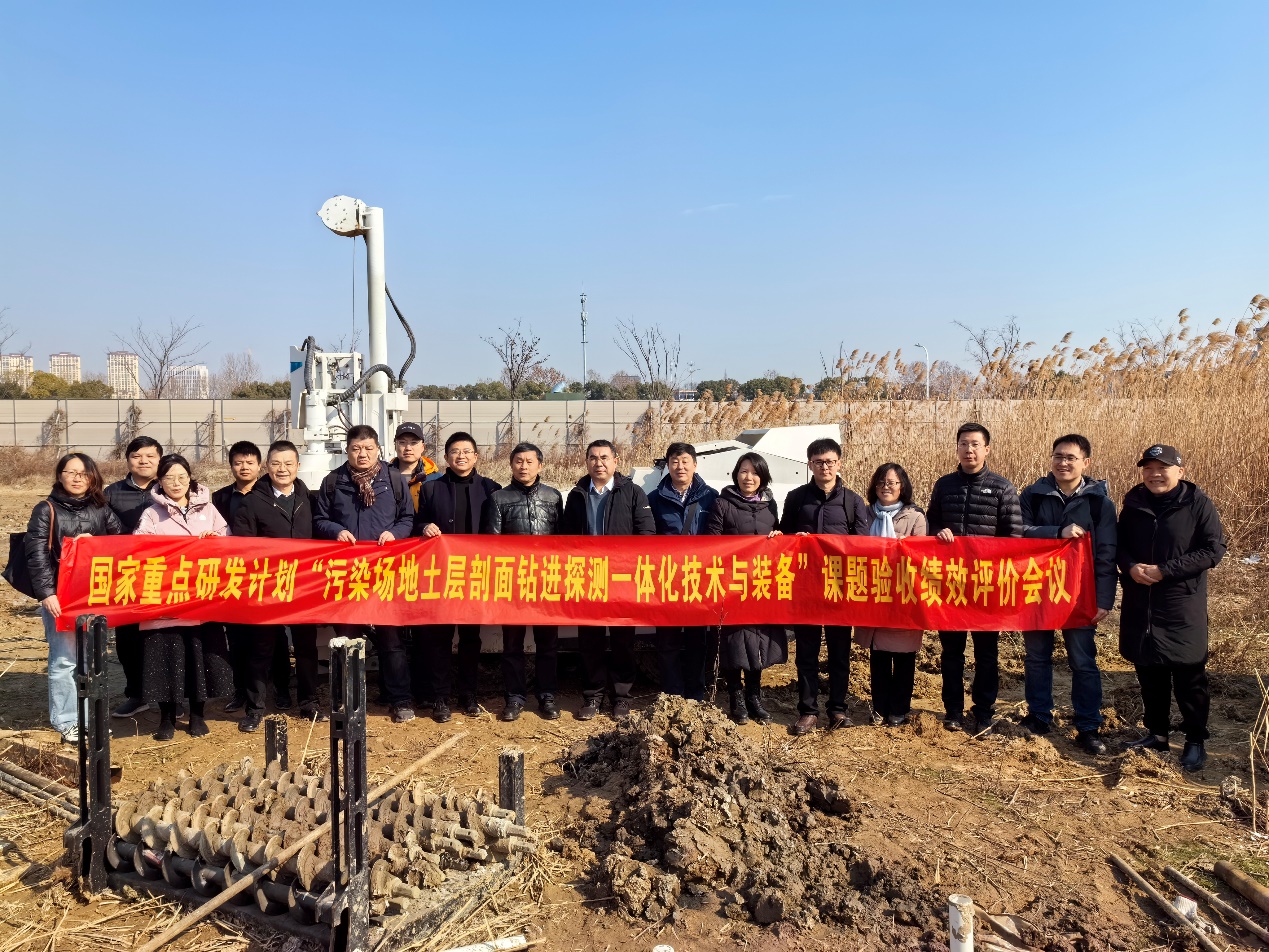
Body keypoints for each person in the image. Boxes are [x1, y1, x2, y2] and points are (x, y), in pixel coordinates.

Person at [1118, 444, 1227, 772]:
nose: (1154, 474)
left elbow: (1213, 549)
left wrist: (1165, 570)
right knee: (1149, 671)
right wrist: (1131, 566)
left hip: (1181, 603)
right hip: (1141, 602)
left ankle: (1195, 740)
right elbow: (1119, 546)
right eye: (1148, 469)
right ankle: (1158, 734)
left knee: (1189, 675)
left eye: (1162, 468)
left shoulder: (1197, 504)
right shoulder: (1134, 504)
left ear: (1180, 471)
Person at [1019, 434, 1117, 755]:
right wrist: (1056, 533)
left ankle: (1088, 726)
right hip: (1038, 590)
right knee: (1036, 657)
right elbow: (1019, 533)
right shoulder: (1033, 494)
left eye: (1071, 458)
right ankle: (1038, 716)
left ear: (1085, 463)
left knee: (1083, 660)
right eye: (1058, 456)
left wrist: (1104, 598)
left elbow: (1107, 553)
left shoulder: (1099, 503)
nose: (1063, 463)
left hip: (1078, 594)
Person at [313, 424, 418, 724]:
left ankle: (398, 699)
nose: (362, 454)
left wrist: (395, 533)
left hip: (385, 570)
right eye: (356, 449)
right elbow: (320, 519)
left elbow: (407, 517)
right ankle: (348, 699)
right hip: (347, 573)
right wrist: (336, 530)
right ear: (347, 451)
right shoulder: (333, 482)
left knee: (391, 638)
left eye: (368, 448)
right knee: (348, 638)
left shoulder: (393, 480)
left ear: (378, 450)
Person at [928, 423, 1023, 734]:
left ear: (987, 449)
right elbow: (931, 524)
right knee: (951, 653)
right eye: (963, 444)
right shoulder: (944, 486)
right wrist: (938, 532)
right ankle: (953, 711)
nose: (969, 450)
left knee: (987, 654)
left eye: (975, 444)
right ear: (957, 448)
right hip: (951, 584)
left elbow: (1013, 538)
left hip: (986, 585)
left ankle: (983, 711)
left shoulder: (1002, 488)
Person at [134, 454, 233, 741]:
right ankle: (166, 718)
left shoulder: (209, 509)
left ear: (190, 478)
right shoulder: (152, 514)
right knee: (167, 658)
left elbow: (228, 542)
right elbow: (138, 546)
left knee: (198, 658)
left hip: (201, 597)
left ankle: (197, 715)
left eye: (182, 477)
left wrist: (215, 540)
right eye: (169, 478)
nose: (176, 483)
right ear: (160, 482)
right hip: (166, 599)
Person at [26, 453, 123, 743]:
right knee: (64, 659)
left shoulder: (101, 508)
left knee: (90, 660)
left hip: (94, 595)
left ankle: (88, 719)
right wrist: (47, 594)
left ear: (92, 477)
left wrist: (97, 543)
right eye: (71, 472)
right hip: (61, 597)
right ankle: (67, 721)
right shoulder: (46, 509)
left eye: (84, 473)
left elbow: (122, 542)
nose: (77, 478)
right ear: (60, 476)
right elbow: (36, 555)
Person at [780, 437, 871, 734]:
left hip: (838, 588)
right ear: (810, 465)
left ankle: (838, 709)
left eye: (830, 461)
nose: (825, 467)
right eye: (818, 462)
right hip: (805, 587)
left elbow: (862, 543)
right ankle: (808, 711)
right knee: (806, 653)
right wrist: (794, 539)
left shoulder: (853, 501)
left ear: (839, 463)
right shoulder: (796, 498)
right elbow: (783, 537)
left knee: (839, 652)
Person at [231, 440, 324, 730]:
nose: (282, 469)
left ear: (298, 466)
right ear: (266, 467)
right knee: (261, 648)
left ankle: (309, 702)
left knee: (306, 647)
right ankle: (255, 708)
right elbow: (243, 548)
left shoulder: (311, 499)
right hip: (267, 587)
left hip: (304, 586)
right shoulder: (252, 502)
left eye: (288, 464)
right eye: (276, 463)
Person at [561, 439, 656, 720]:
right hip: (587, 578)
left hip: (622, 578)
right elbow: (566, 537)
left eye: (604, 457)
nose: (599, 463)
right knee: (589, 639)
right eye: (593, 458)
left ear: (616, 461)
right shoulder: (577, 494)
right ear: (586, 462)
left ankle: (622, 698)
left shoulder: (633, 492)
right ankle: (592, 695)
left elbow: (646, 533)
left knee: (622, 639)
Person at [414, 432, 501, 722]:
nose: (460, 456)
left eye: (466, 451)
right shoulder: (431, 489)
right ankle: (440, 697)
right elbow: (416, 522)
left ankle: (468, 694)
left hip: (476, 575)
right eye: (454, 451)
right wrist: (424, 527)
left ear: (476, 456)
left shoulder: (491, 489)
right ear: (446, 457)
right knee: (440, 638)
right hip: (442, 575)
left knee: (470, 638)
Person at [481, 442, 564, 721]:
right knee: (512, 645)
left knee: (548, 644)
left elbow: (562, 541)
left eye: (529, 461)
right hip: (512, 583)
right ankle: (514, 697)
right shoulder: (498, 498)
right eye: (518, 461)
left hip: (546, 581)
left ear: (540, 465)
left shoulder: (553, 497)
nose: (524, 466)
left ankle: (547, 695)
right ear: (511, 465)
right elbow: (491, 544)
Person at [703, 452, 785, 724]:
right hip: (732, 585)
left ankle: (754, 697)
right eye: (744, 471)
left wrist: (778, 536)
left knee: (757, 640)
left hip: (760, 585)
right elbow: (712, 542)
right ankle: (735, 698)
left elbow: (778, 536)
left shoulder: (770, 505)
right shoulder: (722, 503)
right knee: (733, 642)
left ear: (763, 477)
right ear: (736, 474)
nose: (748, 477)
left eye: (754, 472)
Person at [212, 441, 292, 714]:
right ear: (231, 466)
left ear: (260, 466)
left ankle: (281, 688)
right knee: (236, 637)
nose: (244, 467)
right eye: (238, 463)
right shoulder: (221, 498)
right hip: (235, 577)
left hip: (268, 577)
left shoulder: (271, 493)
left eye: (249, 462)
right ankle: (240, 691)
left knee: (276, 636)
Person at [853, 463, 928, 727]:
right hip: (873, 593)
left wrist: (905, 549)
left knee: (905, 657)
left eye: (893, 483)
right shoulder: (864, 514)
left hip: (903, 596)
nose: (887, 487)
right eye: (881, 483)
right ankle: (879, 708)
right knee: (879, 656)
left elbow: (923, 557)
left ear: (902, 486)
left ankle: (899, 709)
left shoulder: (915, 516)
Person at [647, 442, 719, 701]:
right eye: (675, 462)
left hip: (699, 578)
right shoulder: (654, 499)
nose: (680, 467)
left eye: (685, 461)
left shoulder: (711, 497)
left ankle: (696, 693)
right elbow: (647, 537)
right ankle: (672, 693)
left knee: (697, 639)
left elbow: (720, 535)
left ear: (695, 465)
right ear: (667, 466)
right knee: (667, 639)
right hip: (667, 579)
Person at [105, 435, 162, 718]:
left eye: (150, 456)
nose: (144, 461)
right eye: (137, 456)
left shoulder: (169, 487)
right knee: (128, 637)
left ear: (160, 460)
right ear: (128, 460)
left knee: (164, 634)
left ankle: (170, 695)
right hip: (126, 575)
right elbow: (101, 529)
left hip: (165, 574)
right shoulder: (112, 493)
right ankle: (136, 694)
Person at [388, 421, 439, 510]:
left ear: (422, 447)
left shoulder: (437, 479)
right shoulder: (384, 477)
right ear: (395, 446)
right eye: (402, 442)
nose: (408, 448)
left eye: (414, 442)